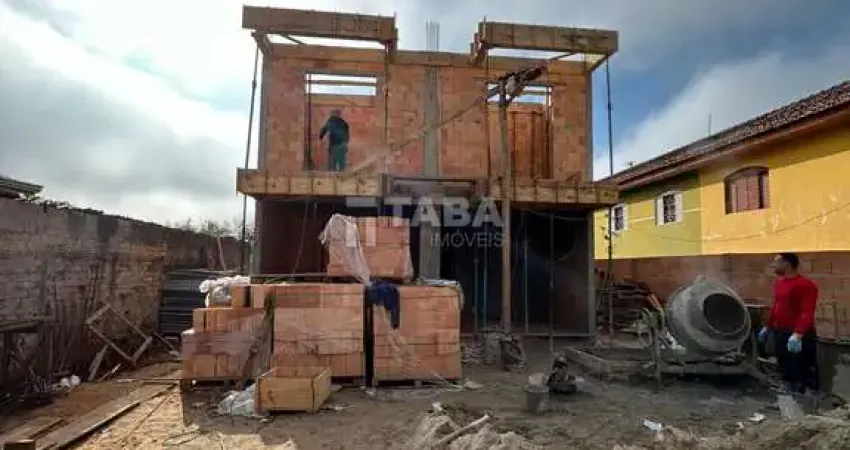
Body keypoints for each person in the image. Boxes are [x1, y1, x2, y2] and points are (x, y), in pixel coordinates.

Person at [757, 252, 820, 394]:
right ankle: (789, 394)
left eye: (777, 262)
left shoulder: (805, 285)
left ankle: (807, 399)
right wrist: (768, 327)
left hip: (797, 336)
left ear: (787, 264)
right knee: (785, 366)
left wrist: (798, 334)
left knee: (800, 368)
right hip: (781, 332)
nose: (774, 266)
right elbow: (776, 307)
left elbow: (807, 311)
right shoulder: (779, 284)